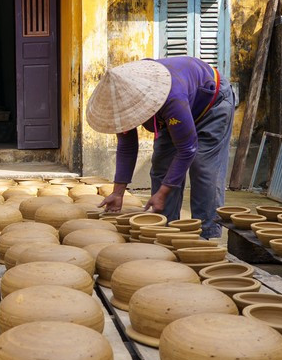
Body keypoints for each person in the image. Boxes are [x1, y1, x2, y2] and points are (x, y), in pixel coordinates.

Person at [85, 56, 236, 239]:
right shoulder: (123, 99)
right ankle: (166, 229)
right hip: (171, 113)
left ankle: (206, 236)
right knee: (162, 166)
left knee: (203, 168)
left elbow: (187, 149)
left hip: (211, 105)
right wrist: (118, 193)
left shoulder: (170, 97)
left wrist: (162, 192)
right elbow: (127, 146)